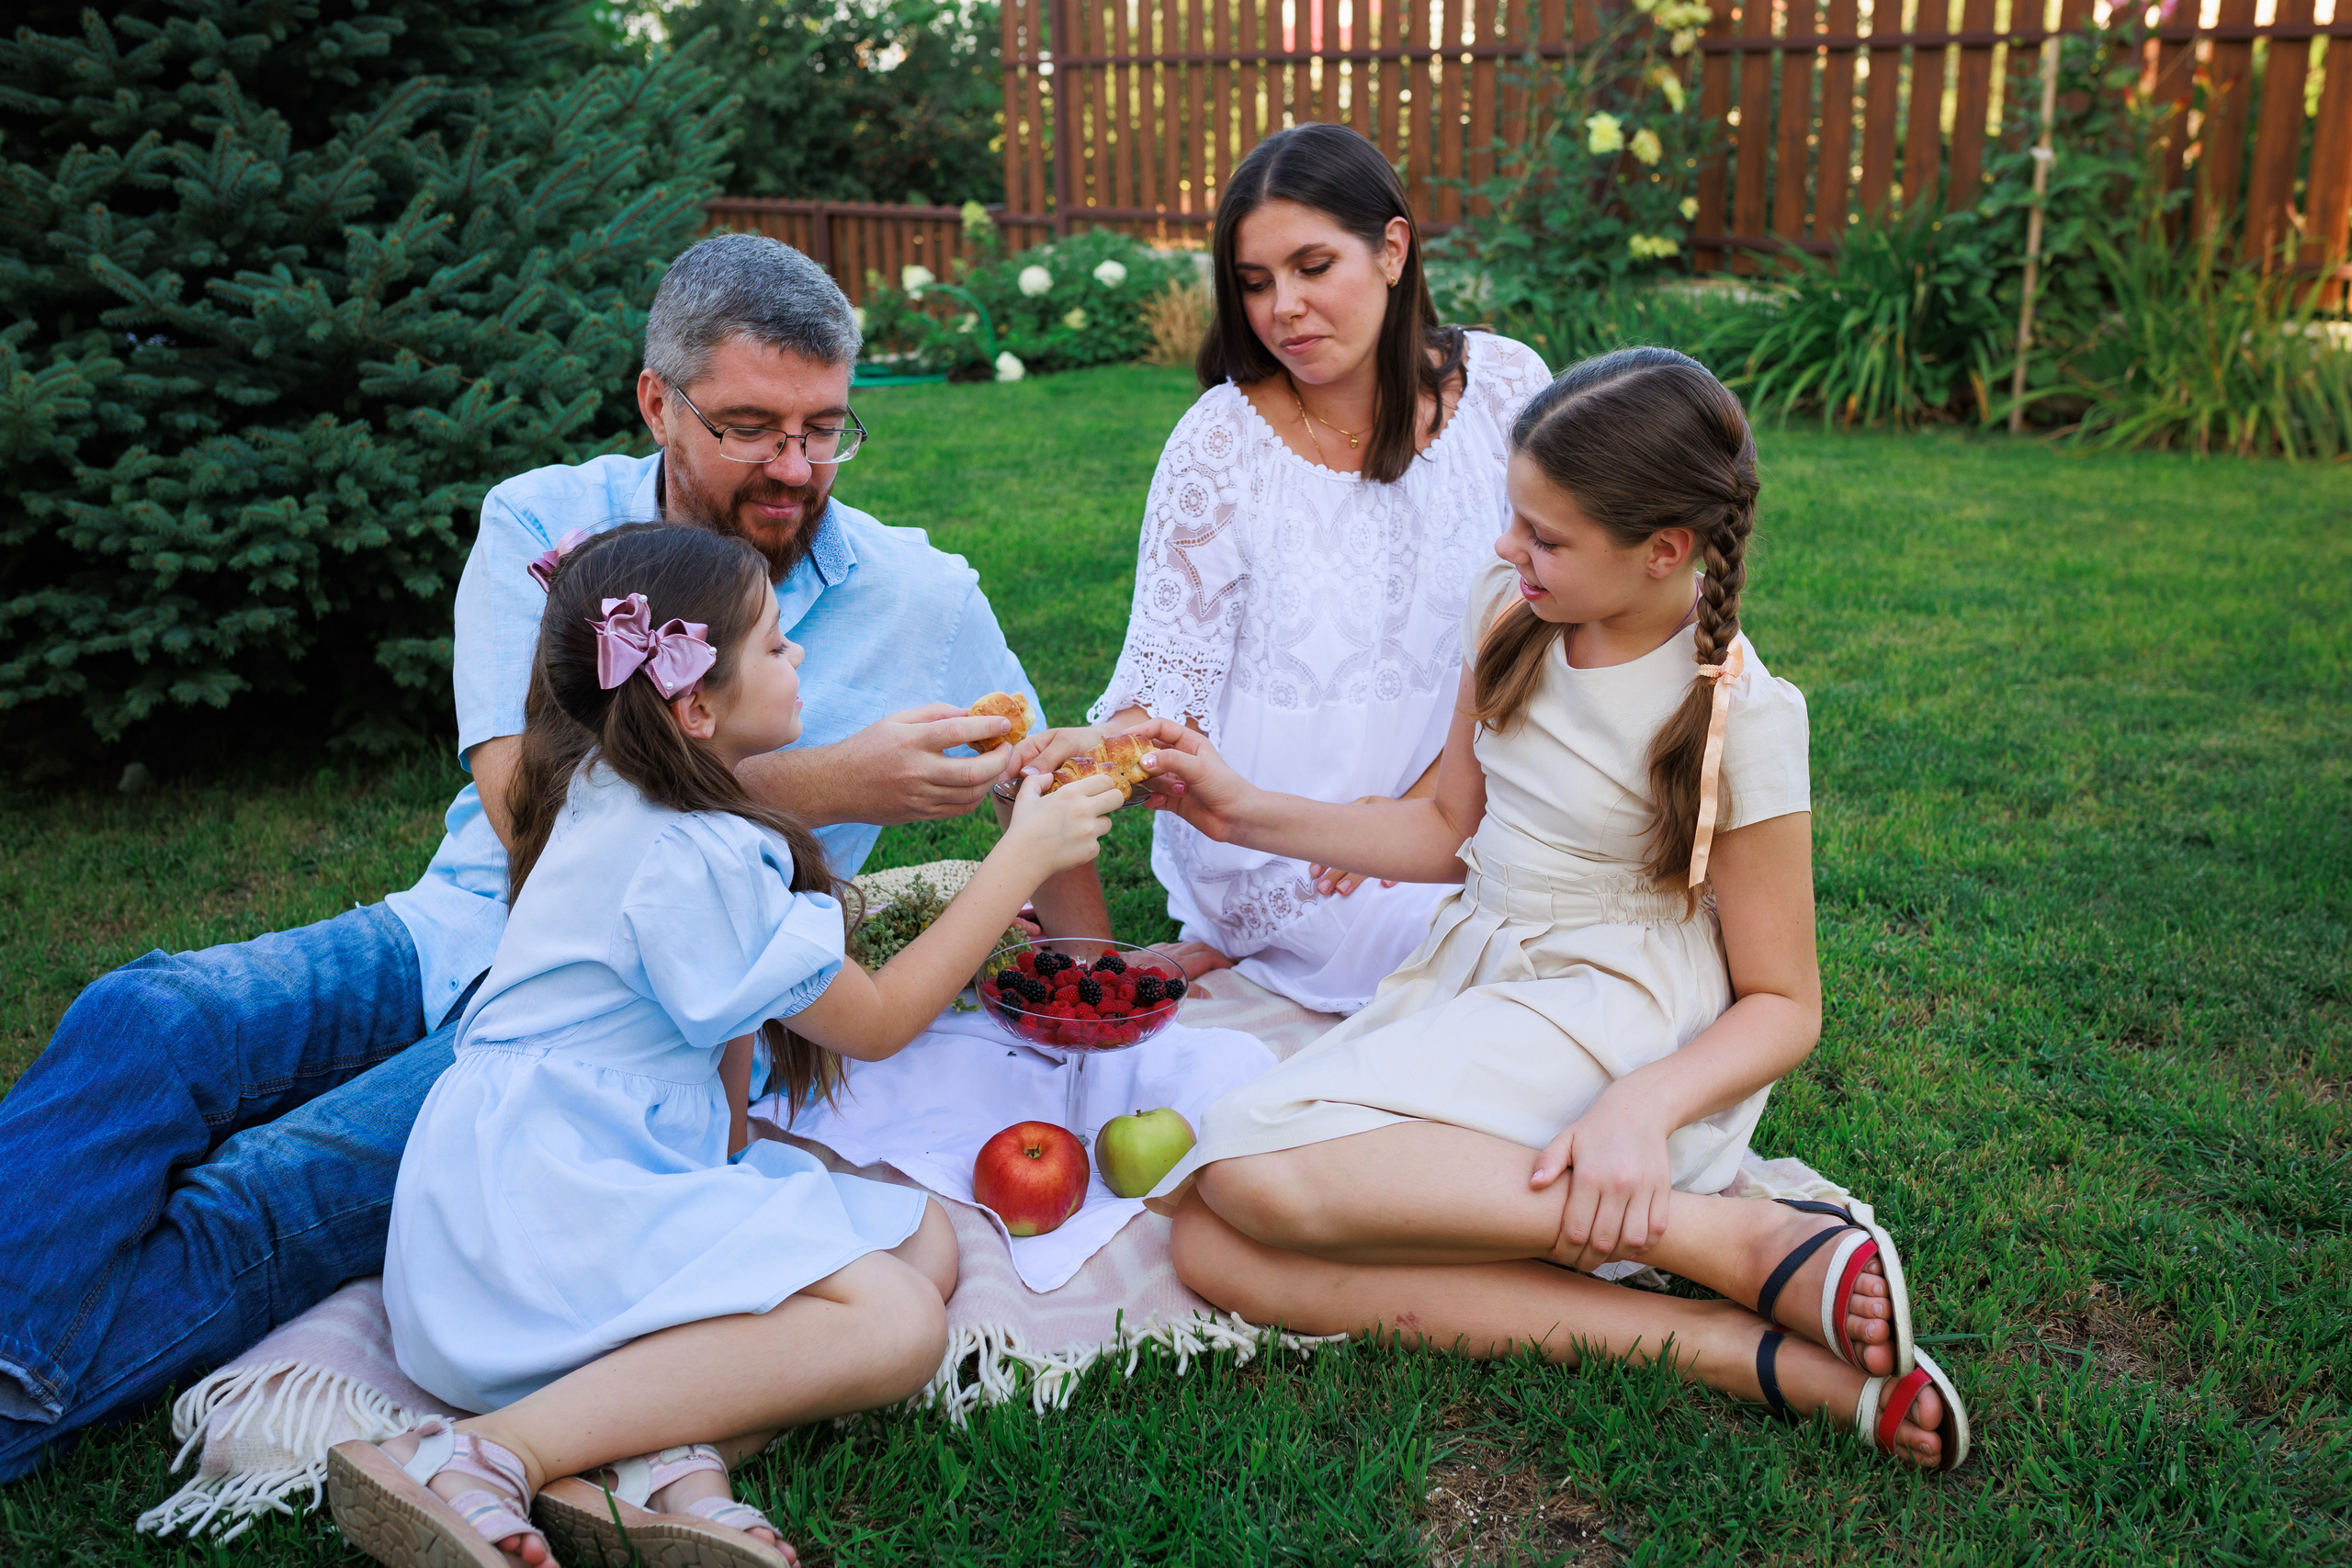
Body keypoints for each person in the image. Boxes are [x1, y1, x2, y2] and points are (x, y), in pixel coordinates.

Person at [0, 232, 1104, 1481]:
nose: (797, 468)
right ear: (657, 402)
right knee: (145, 1015)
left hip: (643, 1017)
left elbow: (1035, 770)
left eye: (825, 428)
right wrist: (835, 782)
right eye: (750, 427)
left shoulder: (922, 594)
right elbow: (530, 814)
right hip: (459, 929)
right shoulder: (549, 525)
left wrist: (1094, 974)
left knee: (270, 1190)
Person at [1125, 348, 1973, 1470]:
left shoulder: (1741, 718)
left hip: (1620, 1008)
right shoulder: (1511, 611)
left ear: (1664, 549)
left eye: (1545, 537)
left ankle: (1733, 1237)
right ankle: (1729, 1340)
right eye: (1513, 520)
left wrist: (1637, 1111)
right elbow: (1446, 830)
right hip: (1485, 976)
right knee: (1213, 1249)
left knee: (1248, 1173)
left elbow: (1783, 1004)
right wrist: (1242, 811)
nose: (1504, 551)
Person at [329, 524, 1125, 1568]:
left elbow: (726, 1031)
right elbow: (879, 1021)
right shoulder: (692, 853)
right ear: (696, 706)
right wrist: (1020, 857)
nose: (800, 657)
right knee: (897, 1328)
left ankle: (653, 1456)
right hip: (540, 1225)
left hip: (559, 1174)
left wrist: (740, 1161)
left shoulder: (620, 788)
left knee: (921, 1242)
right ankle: (487, 1453)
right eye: (778, 645)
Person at [1008, 123, 1551, 1014]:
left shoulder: (1507, 388)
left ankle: (1231, 961)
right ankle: (1244, 940)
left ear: (1392, 249)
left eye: (1312, 267)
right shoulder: (1220, 444)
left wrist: (1424, 802)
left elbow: (1549, 618)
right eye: (1255, 283)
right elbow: (1168, 693)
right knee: (1490, 963)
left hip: (1472, 794)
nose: (1283, 308)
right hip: (1283, 847)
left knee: (1598, 918)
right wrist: (1087, 754)